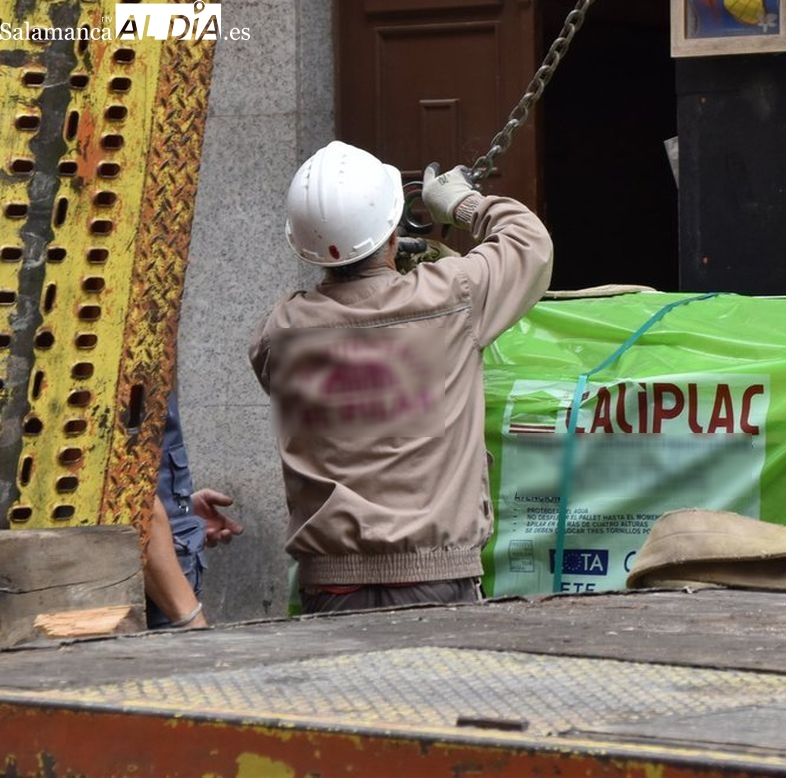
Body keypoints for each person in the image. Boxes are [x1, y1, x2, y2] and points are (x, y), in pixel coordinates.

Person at [249, 140, 553, 614]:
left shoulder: (283, 331)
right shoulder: (450, 297)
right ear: (393, 233)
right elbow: (528, 244)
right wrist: (463, 202)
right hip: (437, 579)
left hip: (330, 588)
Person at [143, 389, 243, 629]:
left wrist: (182, 509)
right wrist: (190, 619)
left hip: (168, 578)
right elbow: (133, 504)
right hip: (161, 601)